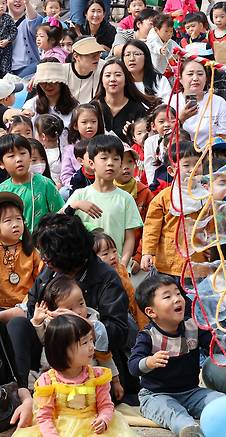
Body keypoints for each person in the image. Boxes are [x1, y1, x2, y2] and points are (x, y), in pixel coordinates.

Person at [7, 213, 129, 389]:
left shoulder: (105, 277)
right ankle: (21, 390)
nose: (44, 259)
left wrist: (78, 323)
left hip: (92, 360)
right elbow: (31, 308)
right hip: (49, 352)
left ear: (66, 253)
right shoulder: (50, 272)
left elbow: (118, 331)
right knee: (17, 325)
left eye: (48, 254)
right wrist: (41, 318)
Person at [129, 274, 224, 436]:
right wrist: (149, 361)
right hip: (155, 395)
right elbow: (133, 366)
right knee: (174, 413)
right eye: (167, 296)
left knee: (220, 401)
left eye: (178, 293)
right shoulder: (148, 336)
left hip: (191, 392)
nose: (177, 299)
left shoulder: (192, 326)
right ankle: (189, 431)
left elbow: (215, 346)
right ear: (151, 312)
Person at [13, 314, 133, 437]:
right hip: (57, 428)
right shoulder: (48, 381)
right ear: (61, 350)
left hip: (92, 426)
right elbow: (44, 416)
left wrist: (104, 419)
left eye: (91, 340)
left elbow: (106, 405)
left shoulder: (97, 376)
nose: (92, 347)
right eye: (85, 342)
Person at [31, 275, 123, 400]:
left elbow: (105, 357)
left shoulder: (96, 326)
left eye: (81, 303)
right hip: (55, 378)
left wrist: (116, 381)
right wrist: (37, 322)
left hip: (88, 379)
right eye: (69, 309)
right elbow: (43, 340)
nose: (78, 311)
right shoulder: (54, 324)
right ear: (56, 311)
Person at [65, 135, 143, 267]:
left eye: (116, 158)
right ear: (91, 163)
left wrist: (123, 265)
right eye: (104, 158)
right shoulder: (80, 195)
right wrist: (75, 205)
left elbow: (130, 237)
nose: (110, 163)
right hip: (84, 268)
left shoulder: (126, 198)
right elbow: (58, 222)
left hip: (115, 267)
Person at [140, 141, 207, 282]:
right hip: (168, 264)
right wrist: (147, 252)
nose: (192, 169)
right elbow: (151, 228)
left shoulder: (206, 196)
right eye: (186, 165)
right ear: (171, 171)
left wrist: (211, 249)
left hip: (197, 264)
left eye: (197, 164)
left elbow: (212, 226)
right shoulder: (164, 197)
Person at [0, 134, 63, 232]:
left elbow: (60, 214)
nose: (19, 159)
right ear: (1, 164)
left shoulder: (45, 184)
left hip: (42, 243)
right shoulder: (2, 190)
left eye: (22, 153)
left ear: (30, 156)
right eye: (11, 156)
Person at [174, 59, 226, 148]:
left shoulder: (218, 102)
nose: (195, 78)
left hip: (210, 156)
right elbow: (165, 134)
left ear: (206, 78)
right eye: (190, 74)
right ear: (180, 78)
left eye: (200, 74)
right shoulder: (171, 101)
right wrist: (180, 120)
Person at [94, 60, 158, 143]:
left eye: (118, 75)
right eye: (108, 75)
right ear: (101, 80)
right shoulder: (94, 107)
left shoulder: (137, 109)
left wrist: (132, 134)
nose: (112, 79)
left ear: (126, 80)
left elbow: (145, 141)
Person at [0, 192, 40, 323]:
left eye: (18, 218)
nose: (15, 224)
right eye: (8, 220)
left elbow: (40, 281)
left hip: (26, 307)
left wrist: (27, 303)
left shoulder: (32, 251)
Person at [24, 62, 78, 138]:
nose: (48, 86)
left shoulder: (75, 107)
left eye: (53, 82)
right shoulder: (30, 105)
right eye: (43, 82)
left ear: (61, 82)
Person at [63, 37, 106, 104]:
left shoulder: (104, 67)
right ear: (76, 56)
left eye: (98, 53)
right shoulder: (63, 71)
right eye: (91, 54)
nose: (96, 57)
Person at [0, 0, 17, 76]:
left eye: (3, 3)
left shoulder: (8, 18)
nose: (1, 6)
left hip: (6, 49)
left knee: (5, 70)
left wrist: (7, 40)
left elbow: (14, 31)